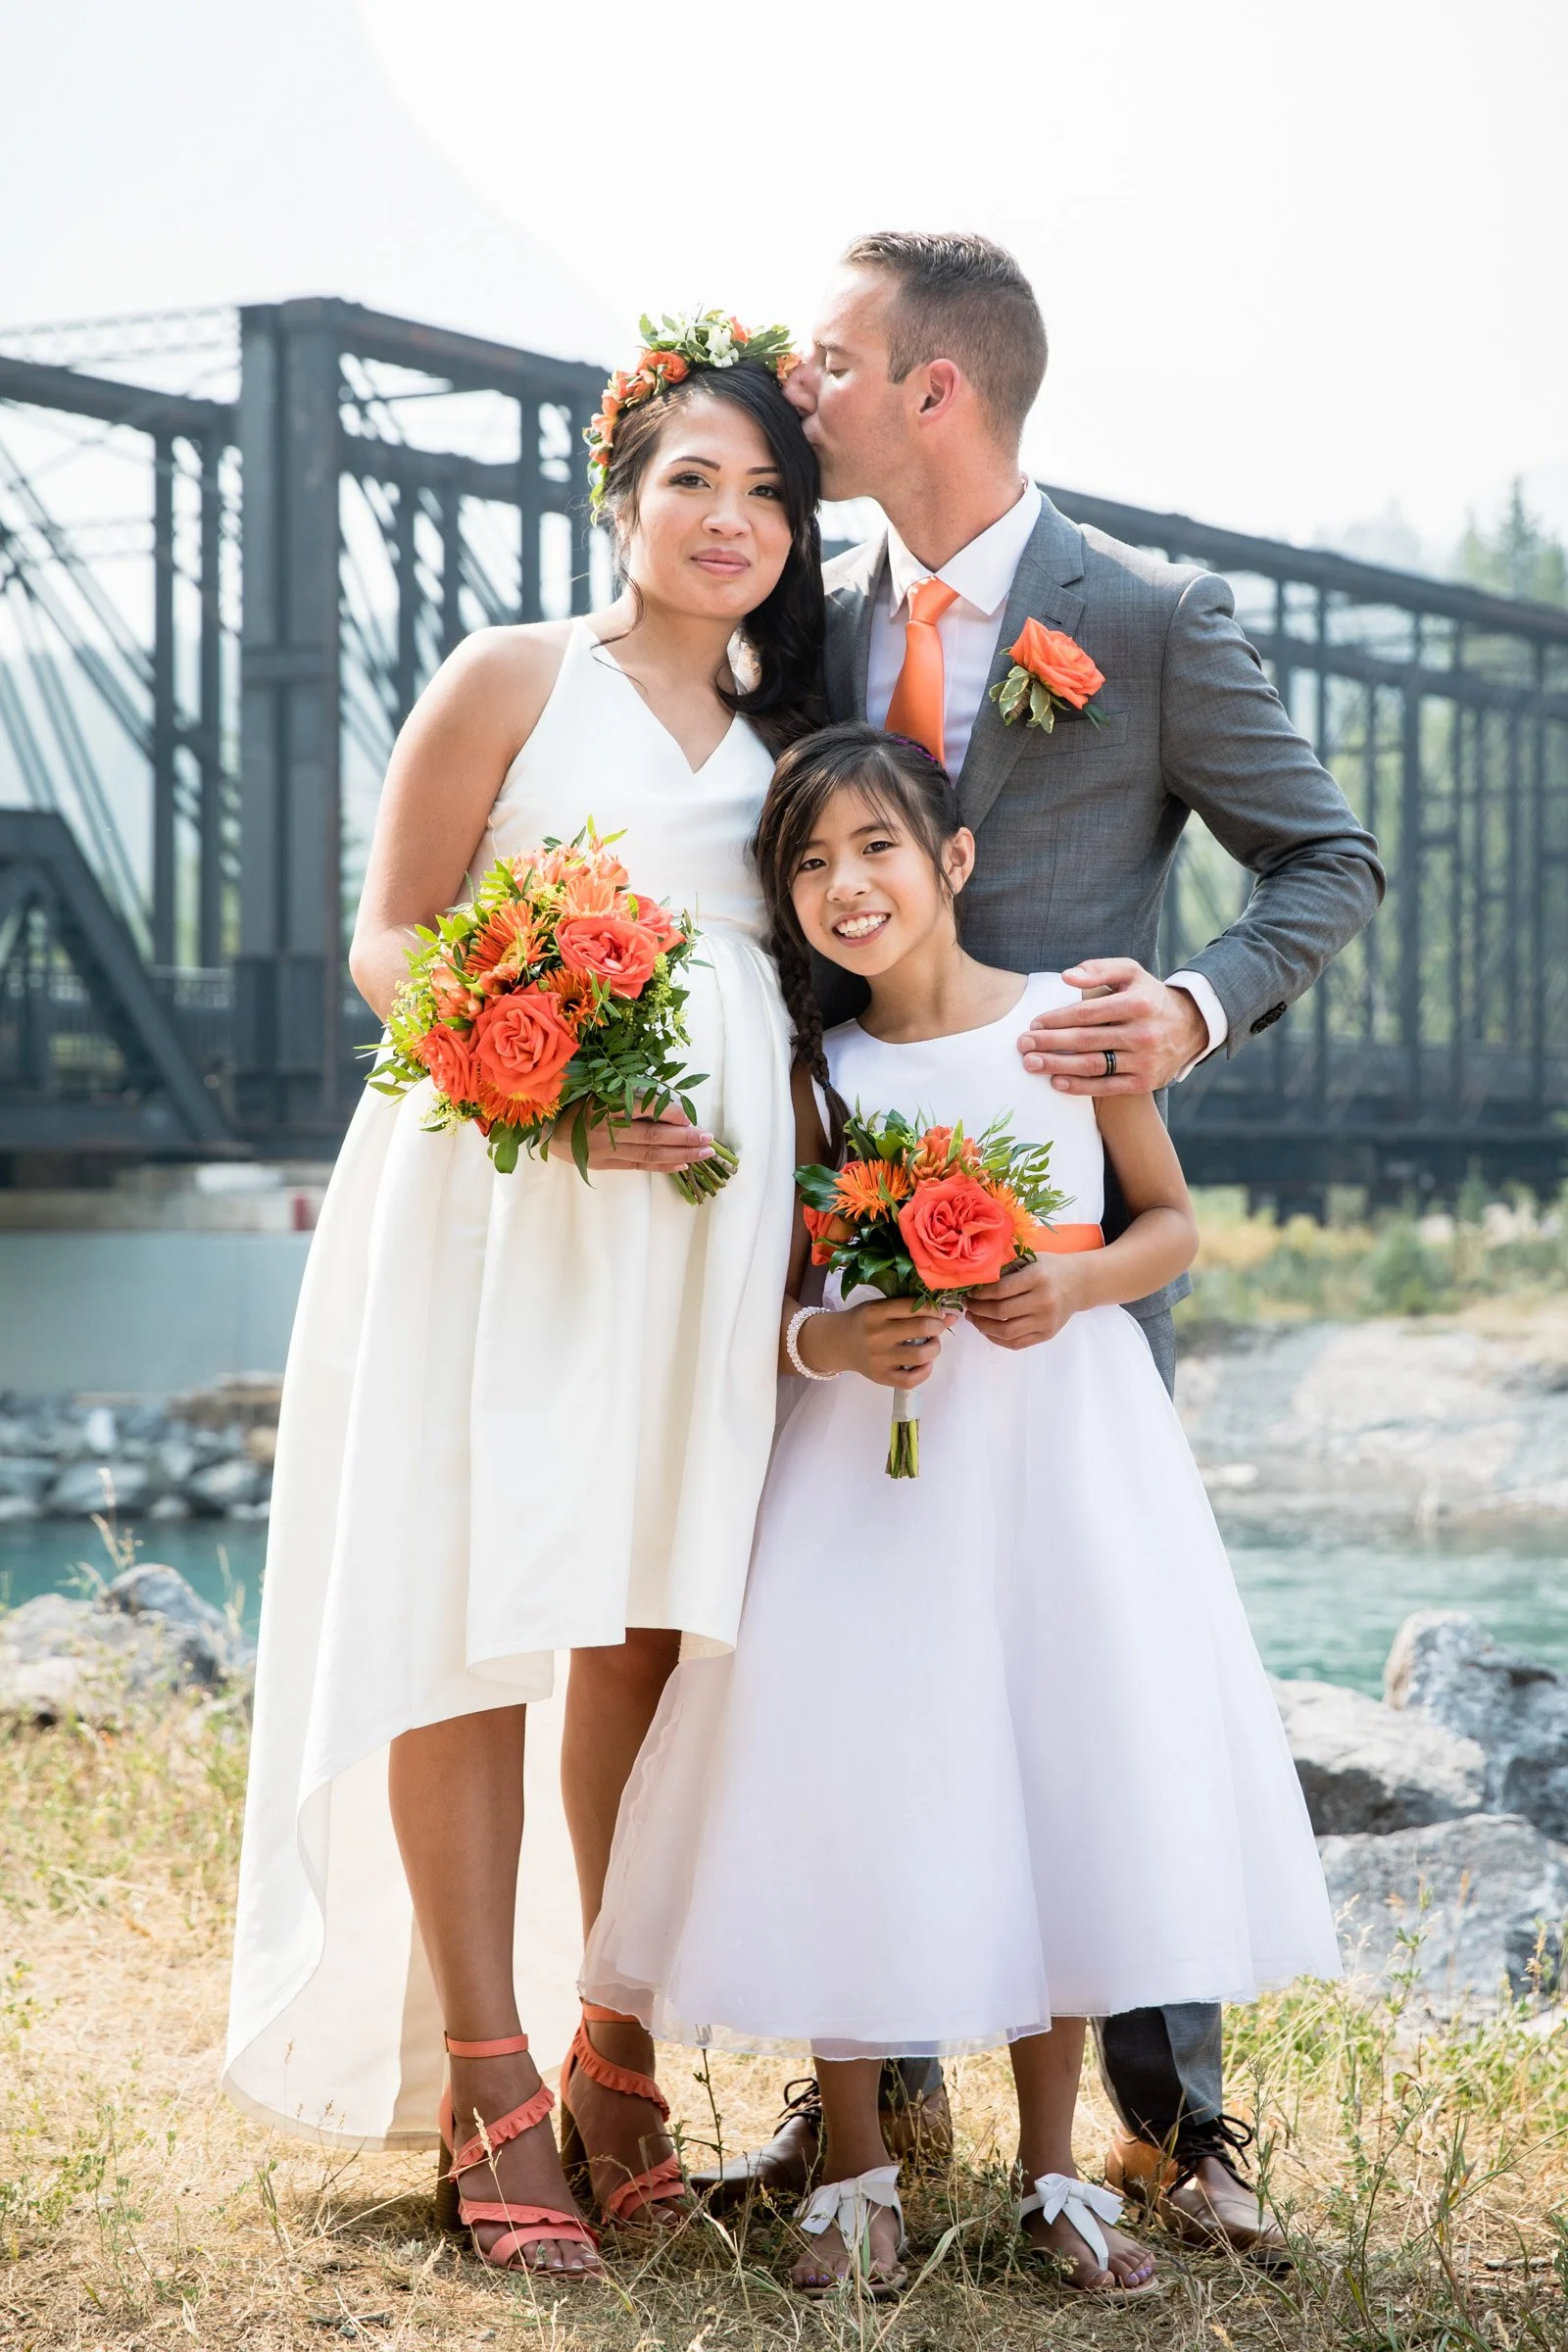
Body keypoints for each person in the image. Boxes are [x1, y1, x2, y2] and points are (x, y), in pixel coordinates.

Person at [693, 232, 1384, 2260]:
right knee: (877, 1679)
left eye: (822, 361)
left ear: (934, 389)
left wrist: (1185, 1007)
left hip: (1059, 1242)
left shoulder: (1144, 619)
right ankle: (870, 2130)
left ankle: (1170, 2131)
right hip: (859, 1222)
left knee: (1097, 1675)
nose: (785, 388)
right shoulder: (805, 618)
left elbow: (1322, 858)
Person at [583, 725, 1343, 2298]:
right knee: (858, 1768)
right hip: (868, 1463)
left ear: (956, 861)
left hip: (1062, 1453)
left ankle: (1056, 2171)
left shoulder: (1070, 1023)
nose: (846, 886)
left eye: (876, 849)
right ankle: (856, 2161)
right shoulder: (821, 1076)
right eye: (807, 863)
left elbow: (1173, 1228)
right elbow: (772, 1302)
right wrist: (837, 1339)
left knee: (1053, 1764)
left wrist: (1070, 1281)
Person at [223, 314, 823, 2278]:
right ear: (620, 498)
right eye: (690, 482)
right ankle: (485, 2075)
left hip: (696, 1226)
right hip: (502, 1189)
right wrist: (543, 1085)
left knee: (646, 1621)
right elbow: (392, 937)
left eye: (762, 492)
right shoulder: (511, 677)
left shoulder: (786, 726)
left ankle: (615, 2047)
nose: (728, 518)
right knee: (466, 1602)